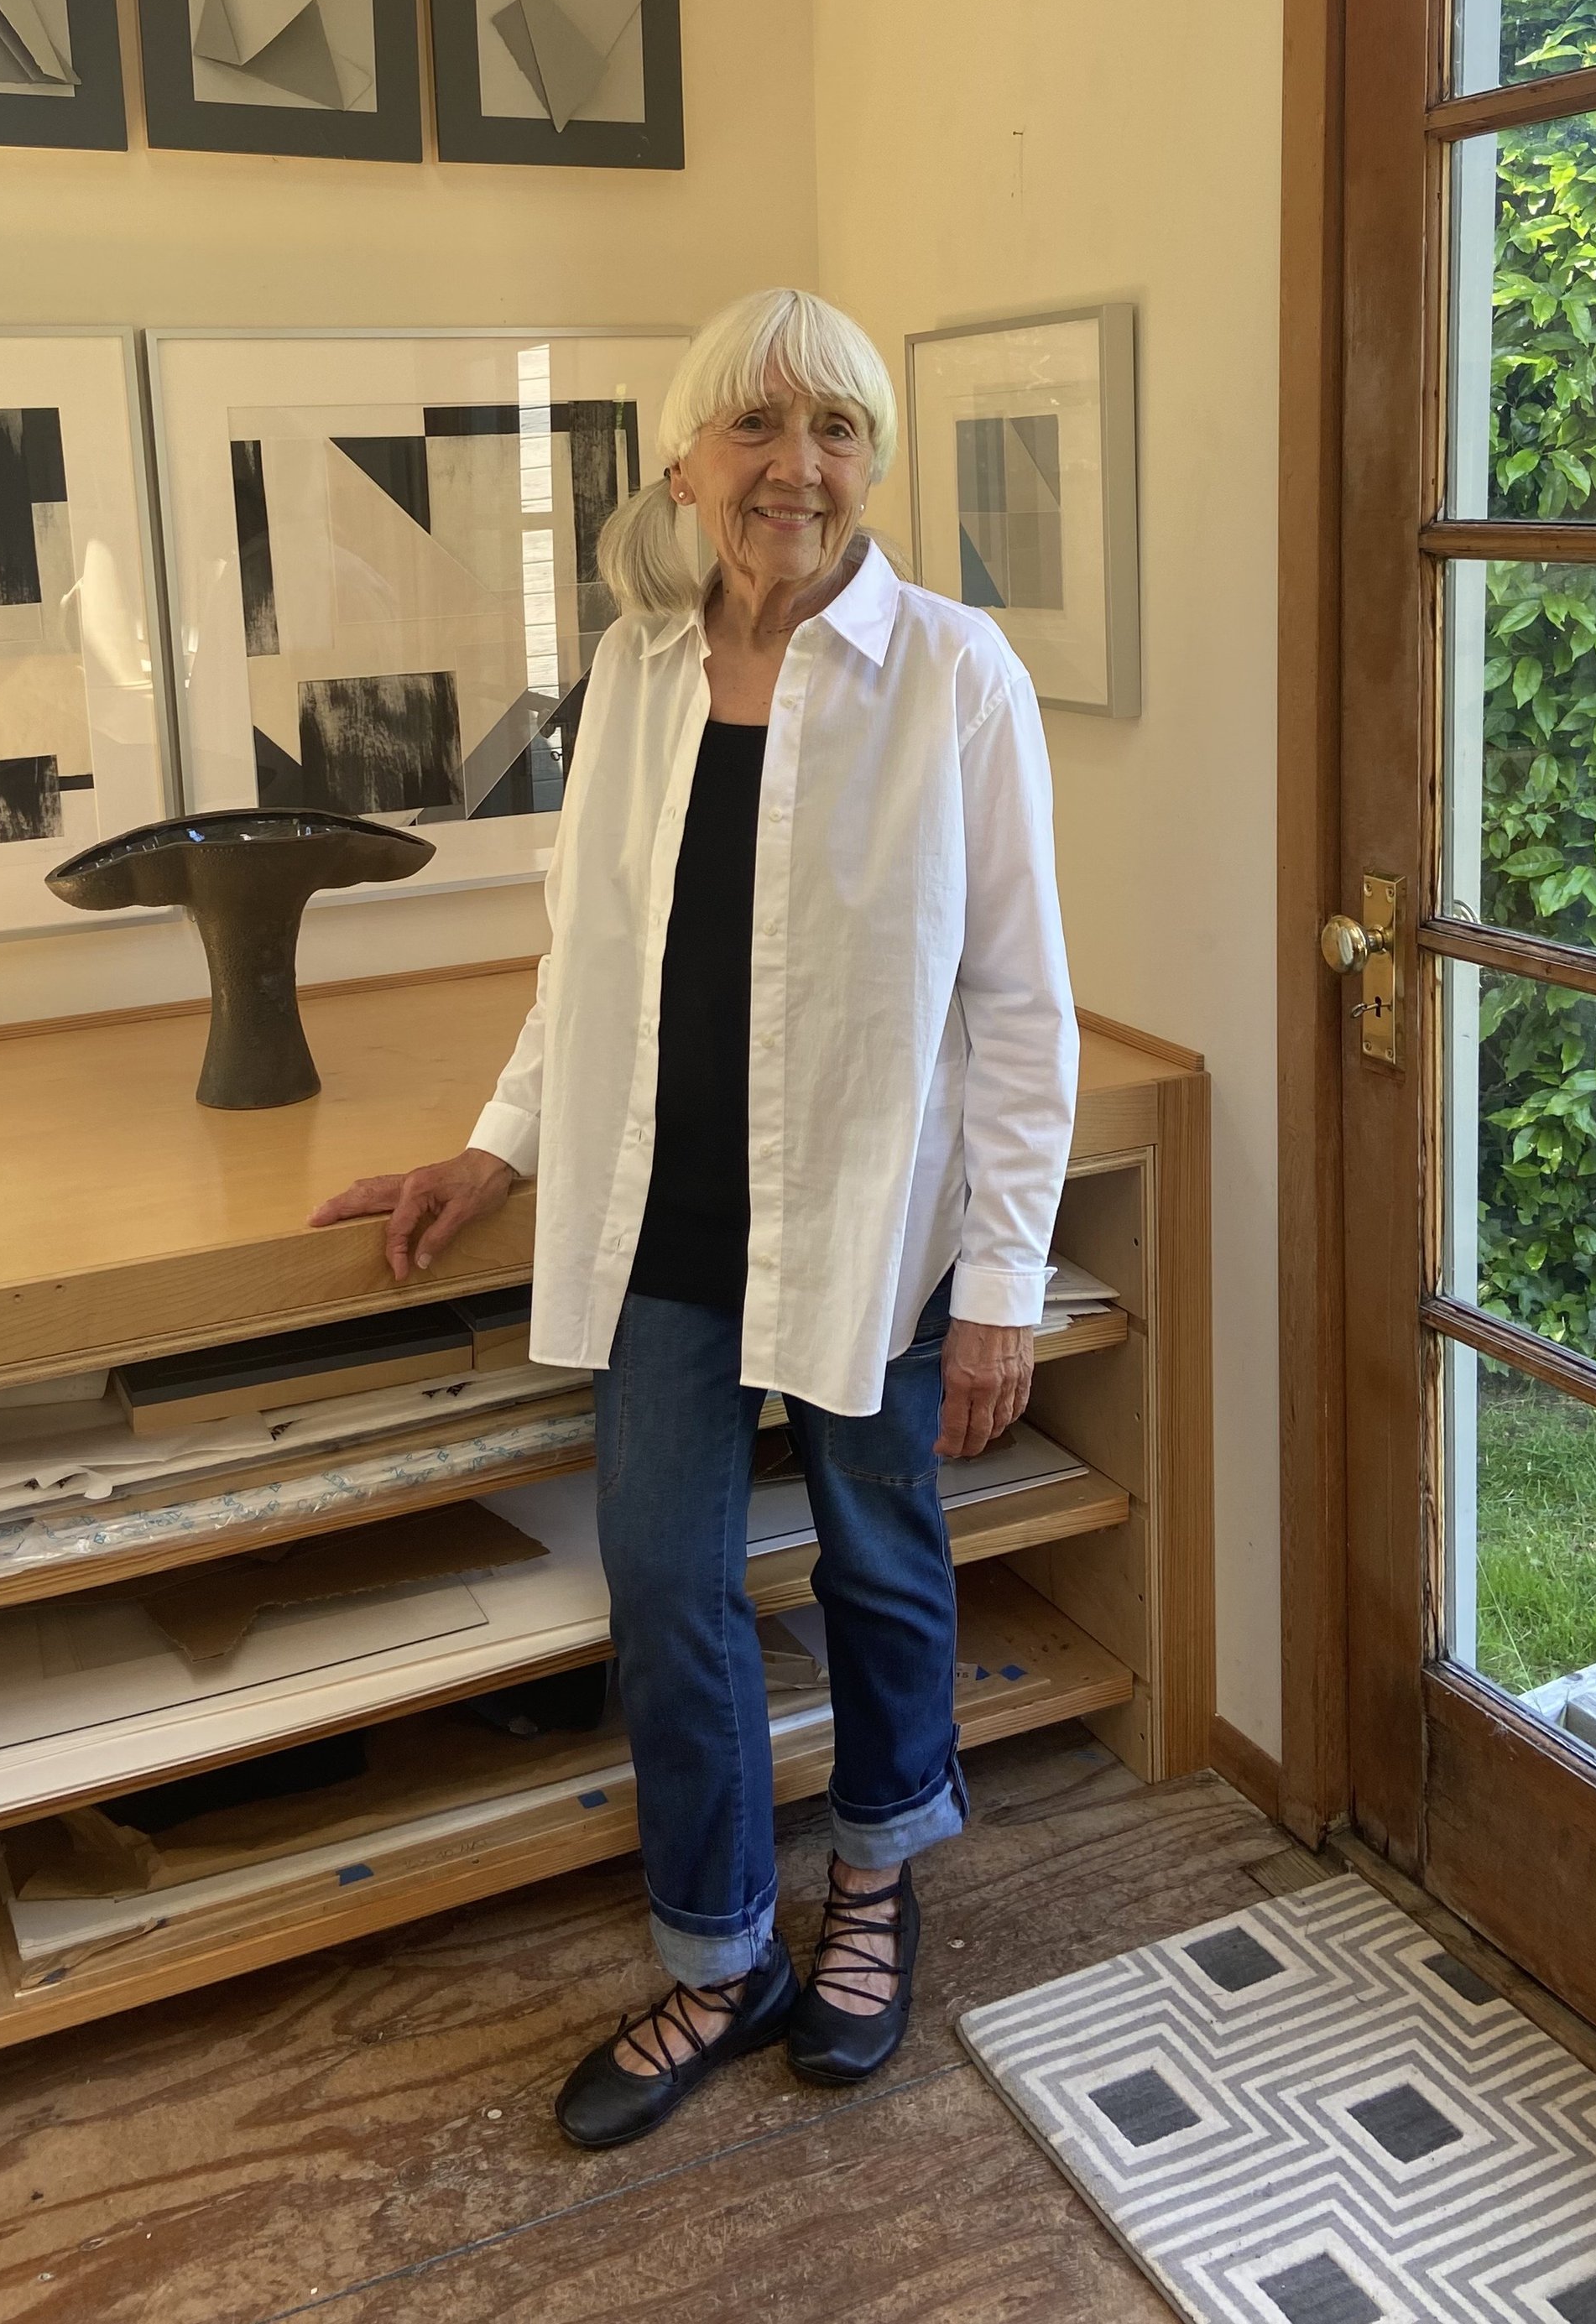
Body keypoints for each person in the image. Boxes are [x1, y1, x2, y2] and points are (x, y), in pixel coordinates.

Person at [311, 287, 1077, 2149]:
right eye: (754, 426)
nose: (792, 468)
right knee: (664, 1587)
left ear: (870, 463)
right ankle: (722, 1950)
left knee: (879, 1571)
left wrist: (1001, 1282)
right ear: (683, 458)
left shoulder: (957, 676)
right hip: (662, 1219)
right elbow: (590, 966)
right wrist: (490, 1153)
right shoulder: (635, 673)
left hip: (870, 1227)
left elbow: (1015, 999)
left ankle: (876, 1880)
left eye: (832, 430)